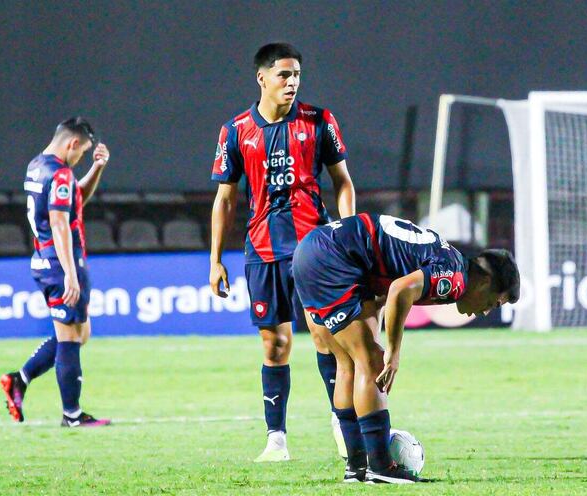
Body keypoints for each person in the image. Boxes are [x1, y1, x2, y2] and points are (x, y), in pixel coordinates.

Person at [209, 42, 356, 462]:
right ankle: (276, 439)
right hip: (262, 250)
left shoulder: (318, 121)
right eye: (283, 75)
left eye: (296, 75)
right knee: (275, 345)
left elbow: (343, 181)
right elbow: (224, 199)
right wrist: (215, 259)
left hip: (316, 248)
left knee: (327, 335)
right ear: (262, 78)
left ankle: (341, 423)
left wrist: (347, 232)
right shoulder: (236, 130)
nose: (292, 83)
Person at [293, 213, 520, 483]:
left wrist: (375, 319)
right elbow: (401, 290)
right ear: (485, 282)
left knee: (349, 364)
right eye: (493, 303)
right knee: (373, 362)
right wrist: (393, 352)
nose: (484, 312)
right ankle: (381, 468)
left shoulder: (450, 259)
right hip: (333, 258)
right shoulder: (456, 279)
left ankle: (356, 468)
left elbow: (385, 287)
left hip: (317, 250)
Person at [0, 117, 112, 427]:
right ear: (72, 144)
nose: (81, 159)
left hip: (45, 259)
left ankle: (20, 379)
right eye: (83, 153)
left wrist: (97, 169)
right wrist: (70, 274)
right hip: (60, 262)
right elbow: (61, 222)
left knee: (78, 332)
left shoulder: (37, 165)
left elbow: (74, 203)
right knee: (71, 338)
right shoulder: (60, 174)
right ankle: (72, 416)